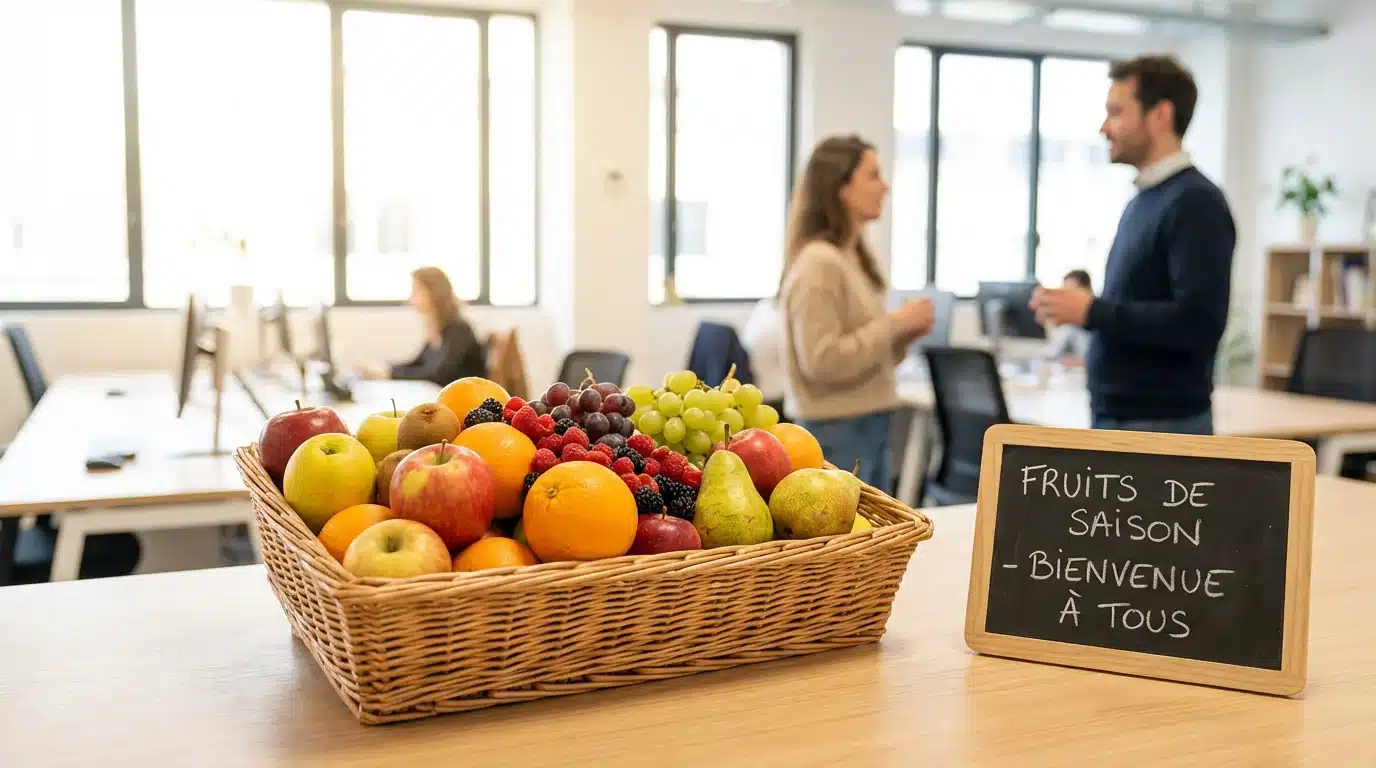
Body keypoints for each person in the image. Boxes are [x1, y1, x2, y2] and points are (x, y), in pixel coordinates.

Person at [1030, 55, 1235, 436]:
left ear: (1160, 115)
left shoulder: (1195, 202)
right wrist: (1080, 309)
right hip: (1124, 419)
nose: (1104, 127)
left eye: (1117, 112)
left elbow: (1199, 322)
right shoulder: (1145, 199)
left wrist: (1093, 311)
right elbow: (1139, 306)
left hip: (1161, 426)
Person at [778, 134, 935, 491]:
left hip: (865, 423)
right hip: (838, 431)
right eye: (873, 175)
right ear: (842, 188)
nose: (885, 186)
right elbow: (823, 362)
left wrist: (902, 335)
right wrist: (895, 324)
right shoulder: (820, 263)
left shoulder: (850, 258)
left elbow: (862, 360)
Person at [362, 266, 487, 387]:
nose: (411, 298)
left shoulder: (459, 329)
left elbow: (438, 376)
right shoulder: (438, 327)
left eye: (417, 291)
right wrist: (386, 367)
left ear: (434, 293)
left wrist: (390, 373)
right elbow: (418, 363)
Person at [1042, 269, 1094, 367]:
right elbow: (1051, 353)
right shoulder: (1068, 324)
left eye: (1072, 292)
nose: (1068, 297)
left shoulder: (1102, 321)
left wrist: (1083, 362)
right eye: (1065, 292)